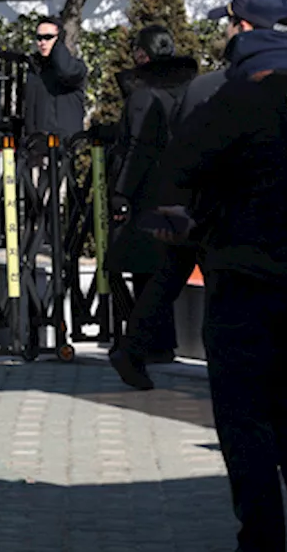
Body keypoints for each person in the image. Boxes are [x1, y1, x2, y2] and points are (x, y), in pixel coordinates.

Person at [148, 0, 287, 552]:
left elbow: (181, 167)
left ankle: (261, 538)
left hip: (242, 269)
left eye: (229, 26)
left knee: (242, 415)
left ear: (242, 29)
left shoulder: (239, 98)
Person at [104, 25, 198, 370]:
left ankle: (141, 343)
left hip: (147, 193)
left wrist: (120, 194)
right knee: (164, 270)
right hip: (183, 190)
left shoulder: (144, 94)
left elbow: (137, 149)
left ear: (143, 54)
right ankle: (158, 342)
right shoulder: (189, 88)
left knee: (137, 270)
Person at [23, 17, 88, 141]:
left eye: (48, 37)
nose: (43, 42)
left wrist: (58, 46)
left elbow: (66, 71)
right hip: (38, 145)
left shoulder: (76, 68)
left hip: (66, 145)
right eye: (39, 38)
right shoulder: (35, 70)